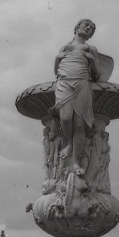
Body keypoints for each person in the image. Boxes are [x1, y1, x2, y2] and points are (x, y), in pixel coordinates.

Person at [49, 19, 101, 176]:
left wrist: (92, 61)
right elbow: (56, 71)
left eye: (91, 28)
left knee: (79, 124)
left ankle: (75, 161)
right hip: (64, 83)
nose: (88, 28)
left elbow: (97, 76)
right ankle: (72, 143)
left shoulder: (91, 49)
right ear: (77, 27)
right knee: (65, 118)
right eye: (85, 25)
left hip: (81, 84)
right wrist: (57, 59)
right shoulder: (65, 47)